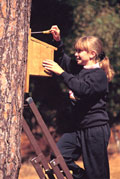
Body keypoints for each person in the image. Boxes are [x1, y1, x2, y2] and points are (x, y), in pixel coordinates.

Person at [43, 25, 115, 179]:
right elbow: (62, 59)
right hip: (78, 129)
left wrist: (62, 73)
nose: (75, 54)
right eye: (75, 51)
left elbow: (83, 89)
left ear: (92, 54)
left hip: (95, 129)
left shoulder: (99, 76)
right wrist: (57, 40)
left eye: (79, 51)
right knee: (58, 157)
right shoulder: (77, 69)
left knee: (97, 173)